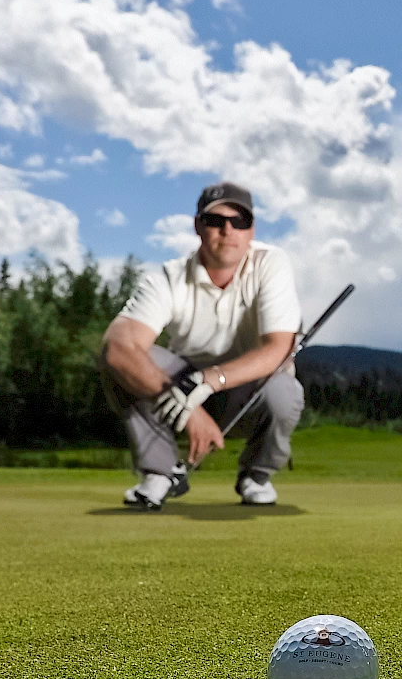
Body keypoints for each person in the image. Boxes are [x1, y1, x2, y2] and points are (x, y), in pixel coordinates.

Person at [101, 182, 304, 510]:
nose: (228, 231)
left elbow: (277, 348)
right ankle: (160, 473)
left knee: (285, 389)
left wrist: (209, 381)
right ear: (198, 226)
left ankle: (256, 475)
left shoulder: (271, 263)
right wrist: (191, 409)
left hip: (245, 392)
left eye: (239, 222)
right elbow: (119, 346)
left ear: (251, 230)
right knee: (124, 357)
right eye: (215, 221)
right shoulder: (169, 277)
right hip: (181, 393)